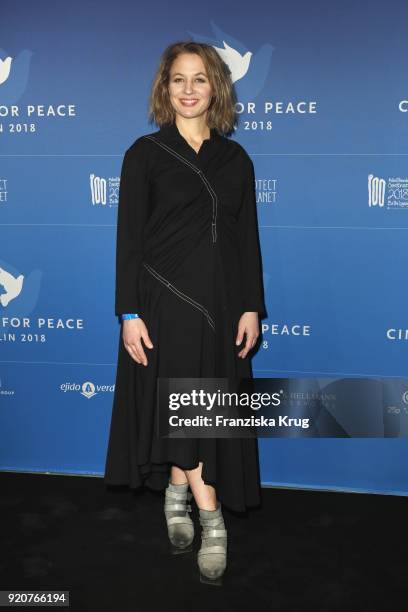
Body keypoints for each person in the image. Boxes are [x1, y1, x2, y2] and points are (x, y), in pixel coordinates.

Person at [104, 41, 267, 584]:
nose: (189, 89)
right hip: (164, 301)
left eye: (200, 79)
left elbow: (247, 241)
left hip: (222, 308)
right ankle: (212, 515)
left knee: (204, 408)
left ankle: (177, 491)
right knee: (187, 400)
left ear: (216, 87)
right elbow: (129, 241)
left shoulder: (236, 160)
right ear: (164, 88)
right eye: (178, 79)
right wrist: (129, 311)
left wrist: (252, 307)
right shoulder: (143, 155)